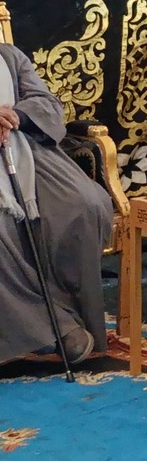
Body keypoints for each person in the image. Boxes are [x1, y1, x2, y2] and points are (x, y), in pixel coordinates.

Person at [0, 41, 114, 364]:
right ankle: (54, 330)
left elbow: (46, 103)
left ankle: (75, 314)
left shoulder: (8, 57)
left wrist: (15, 115)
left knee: (84, 204)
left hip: (25, 150)